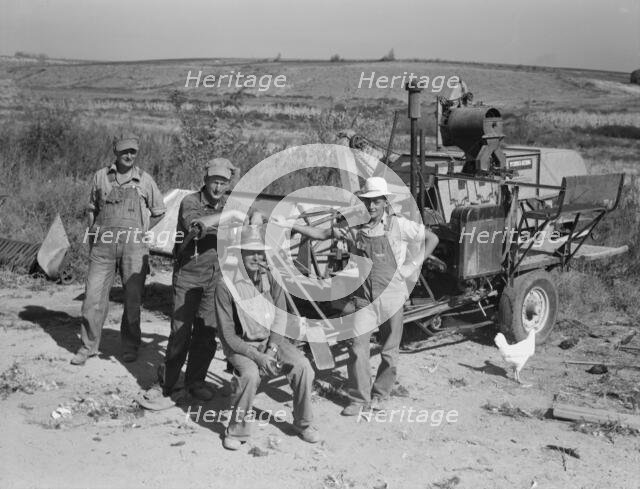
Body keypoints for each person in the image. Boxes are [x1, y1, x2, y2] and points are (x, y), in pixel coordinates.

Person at [276, 176, 439, 416]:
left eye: (376, 201)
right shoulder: (353, 228)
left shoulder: (399, 226)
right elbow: (321, 235)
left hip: (391, 297)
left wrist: (413, 265)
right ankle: (358, 398)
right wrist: (291, 224)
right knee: (356, 348)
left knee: (389, 351)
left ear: (385, 203)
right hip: (363, 298)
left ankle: (380, 395)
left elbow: (431, 238)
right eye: (366, 201)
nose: (371, 206)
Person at [215, 222, 320, 450]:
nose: (255, 257)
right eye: (249, 251)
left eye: (259, 252)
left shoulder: (270, 278)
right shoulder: (225, 285)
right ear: (239, 253)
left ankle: (303, 424)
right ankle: (236, 430)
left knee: (303, 366)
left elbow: (280, 318)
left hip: (271, 341)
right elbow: (228, 335)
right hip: (241, 346)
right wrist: (257, 357)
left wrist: (272, 350)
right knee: (251, 375)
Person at [72, 132, 166, 366]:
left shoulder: (145, 180)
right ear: (115, 151)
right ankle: (88, 346)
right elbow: (92, 208)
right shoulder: (101, 177)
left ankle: (130, 345)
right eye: (124, 150)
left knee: (132, 301)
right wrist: (93, 233)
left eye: (133, 151)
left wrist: (142, 231)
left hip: (134, 250)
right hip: (102, 248)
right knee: (92, 299)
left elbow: (159, 211)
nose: (128, 155)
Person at [159, 158, 245, 401]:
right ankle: (168, 383)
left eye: (223, 183)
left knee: (207, 333)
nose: (218, 188)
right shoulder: (191, 202)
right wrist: (228, 219)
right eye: (214, 182)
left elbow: (247, 220)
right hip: (188, 275)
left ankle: (195, 381)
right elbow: (196, 225)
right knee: (180, 332)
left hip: (215, 276)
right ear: (205, 181)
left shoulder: (229, 203)